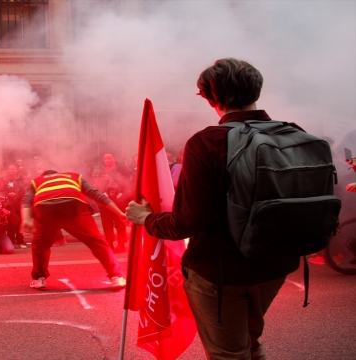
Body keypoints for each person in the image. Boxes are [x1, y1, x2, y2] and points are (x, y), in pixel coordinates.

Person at [126, 58, 299, 359]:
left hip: (222, 273)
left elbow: (188, 222)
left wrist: (147, 218)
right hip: (277, 264)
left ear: (210, 98)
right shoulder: (292, 134)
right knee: (249, 338)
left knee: (228, 353)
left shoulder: (207, 143)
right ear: (256, 89)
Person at [22, 170, 127, 290]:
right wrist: (119, 213)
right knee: (96, 241)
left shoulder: (36, 181)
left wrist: (26, 219)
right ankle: (116, 277)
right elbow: (96, 194)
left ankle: (39, 279)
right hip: (73, 206)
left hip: (45, 208)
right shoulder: (74, 176)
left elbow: (27, 200)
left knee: (40, 244)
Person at [100, 153, 132, 252]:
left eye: (109, 158)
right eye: (105, 158)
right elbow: (97, 184)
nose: (107, 160)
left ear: (115, 159)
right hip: (104, 200)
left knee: (119, 223)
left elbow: (126, 183)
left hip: (118, 200)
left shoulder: (121, 170)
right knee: (107, 224)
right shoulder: (101, 171)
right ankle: (109, 244)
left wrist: (111, 179)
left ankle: (121, 244)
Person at [0, 163, 28, 248]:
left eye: (13, 169)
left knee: (20, 223)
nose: (11, 171)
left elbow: (27, 190)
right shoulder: (4, 180)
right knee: (11, 224)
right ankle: (11, 241)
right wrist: (7, 195)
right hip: (9, 205)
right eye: (9, 169)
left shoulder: (23, 179)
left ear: (17, 170)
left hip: (20, 204)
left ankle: (20, 241)